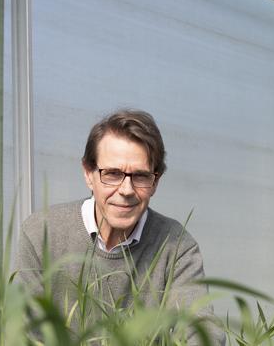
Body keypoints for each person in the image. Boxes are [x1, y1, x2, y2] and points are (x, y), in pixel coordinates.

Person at [15, 109, 225, 345]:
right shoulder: (41, 233)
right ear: (88, 173)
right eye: (112, 174)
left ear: (156, 182)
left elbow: (201, 330)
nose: (126, 190)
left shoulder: (177, 245)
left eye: (140, 176)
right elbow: (24, 333)